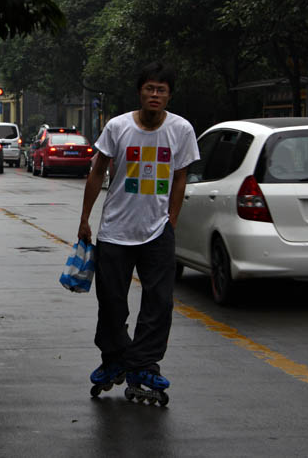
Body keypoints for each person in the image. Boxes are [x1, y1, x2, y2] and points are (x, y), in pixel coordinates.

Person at [78, 61, 200, 394]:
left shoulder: (181, 130)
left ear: (169, 95)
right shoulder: (118, 127)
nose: (155, 94)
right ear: (140, 92)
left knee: (159, 302)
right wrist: (85, 219)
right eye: (150, 88)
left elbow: (180, 178)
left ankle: (144, 365)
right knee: (112, 302)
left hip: (157, 231)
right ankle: (114, 359)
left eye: (161, 89)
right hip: (115, 231)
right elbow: (96, 171)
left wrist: (171, 221)